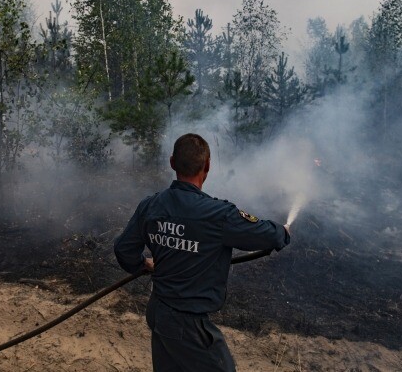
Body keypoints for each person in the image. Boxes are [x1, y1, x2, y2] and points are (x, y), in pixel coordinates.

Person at [114, 133, 290, 371]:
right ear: (207, 166)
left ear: (172, 162)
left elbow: (124, 249)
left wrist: (143, 263)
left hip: (159, 312)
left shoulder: (151, 205)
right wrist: (283, 231)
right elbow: (269, 235)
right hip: (188, 325)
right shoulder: (218, 215)